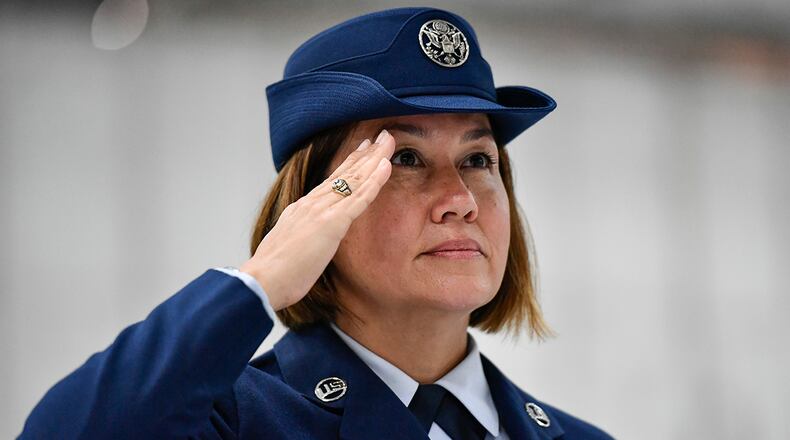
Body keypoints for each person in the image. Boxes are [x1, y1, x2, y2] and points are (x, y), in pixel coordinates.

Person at [19, 7, 614, 440]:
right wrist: (262, 280)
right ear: (316, 204)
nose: (459, 199)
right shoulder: (237, 422)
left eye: (478, 159)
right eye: (404, 159)